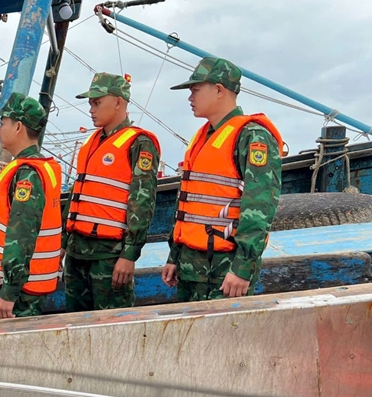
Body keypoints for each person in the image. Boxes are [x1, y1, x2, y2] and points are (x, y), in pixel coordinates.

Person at [161, 57, 283, 301]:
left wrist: (243, 268)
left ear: (219, 90)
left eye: (195, 89)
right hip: (190, 266)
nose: (190, 97)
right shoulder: (203, 137)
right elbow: (189, 204)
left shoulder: (252, 136)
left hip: (224, 269)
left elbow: (259, 207)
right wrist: (175, 256)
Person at [64, 72, 160, 312]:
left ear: (118, 102)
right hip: (77, 255)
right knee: (75, 324)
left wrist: (129, 255)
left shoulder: (139, 143)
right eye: (90, 103)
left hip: (109, 256)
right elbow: (78, 195)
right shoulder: (91, 143)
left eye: (97, 103)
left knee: (113, 325)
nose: (91, 109)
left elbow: (142, 202)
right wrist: (63, 246)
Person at [0, 92, 63, 319]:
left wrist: (9, 293)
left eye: (3, 123)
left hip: (17, 294)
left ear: (18, 127)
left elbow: (21, 236)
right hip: (24, 288)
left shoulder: (26, 175)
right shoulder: (40, 168)